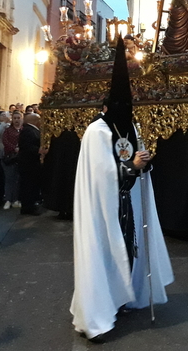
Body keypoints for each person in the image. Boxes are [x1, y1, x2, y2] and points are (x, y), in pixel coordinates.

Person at [71, 38, 173, 342]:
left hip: (126, 206)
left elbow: (137, 157)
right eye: (119, 106)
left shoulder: (131, 128)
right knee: (103, 254)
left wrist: (145, 164)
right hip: (102, 209)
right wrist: (132, 167)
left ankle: (123, 297)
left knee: (129, 250)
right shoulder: (96, 131)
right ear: (106, 107)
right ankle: (97, 315)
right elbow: (102, 175)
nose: (125, 111)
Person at [18, 113, 42, 215]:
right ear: (34, 121)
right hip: (29, 164)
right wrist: (39, 150)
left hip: (30, 163)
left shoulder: (30, 130)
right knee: (29, 186)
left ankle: (30, 205)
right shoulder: (28, 131)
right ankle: (29, 207)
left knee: (30, 185)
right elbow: (27, 147)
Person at [1, 111, 22, 209]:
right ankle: (8, 199)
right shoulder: (8, 131)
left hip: (21, 158)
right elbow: (5, 142)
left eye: (19, 118)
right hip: (10, 157)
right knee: (9, 179)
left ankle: (16, 199)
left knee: (18, 180)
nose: (17, 120)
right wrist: (14, 148)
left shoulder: (24, 130)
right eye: (15, 118)